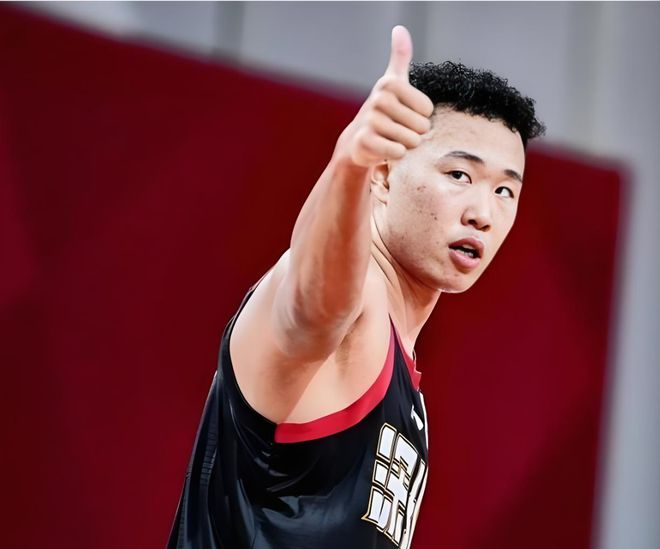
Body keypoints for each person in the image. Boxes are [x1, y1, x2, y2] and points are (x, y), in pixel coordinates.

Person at [168, 25, 544, 549]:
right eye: (459, 175)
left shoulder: (406, 381)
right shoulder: (353, 307)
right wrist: (349, 162)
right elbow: (312, 305)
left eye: (504, 190)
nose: (483, 212)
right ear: (385, 175)